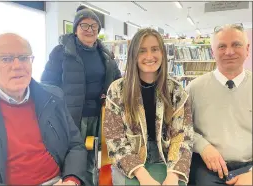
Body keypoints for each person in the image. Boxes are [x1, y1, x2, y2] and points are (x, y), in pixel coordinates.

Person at [0, 33, 87, 186]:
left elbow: (75, 145)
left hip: (60, 181)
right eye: (6, 59)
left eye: (24, 58)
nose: (17, 66)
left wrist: (72, 180)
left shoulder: (53, 97)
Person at [41, 5, 121, 185]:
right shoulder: (61, 52)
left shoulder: (106, 54)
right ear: (75, 28)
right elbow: (47, 84)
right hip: (71, 116)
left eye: (94, 26)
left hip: (99, 116)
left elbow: (118, 82)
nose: (89, 30)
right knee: (72, 157)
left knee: (93, 157)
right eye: (84, 25)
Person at [103, 28, 194, 185]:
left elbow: (183, 137)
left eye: (154, 49)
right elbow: (115, 139)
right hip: (129, 160)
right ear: (133, 55)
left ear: (162, 54)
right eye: (142, 51)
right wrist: (143, 176)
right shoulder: (117, 90)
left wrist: (173, 176)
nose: (149, 56)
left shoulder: (177, 91)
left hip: (167, 161)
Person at [186, 24, 252, 186]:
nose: (229, 52)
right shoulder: (194, 89)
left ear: (247, 49)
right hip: (207, 168)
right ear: (212, 51)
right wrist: (202, 146)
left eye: (236, 44)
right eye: (222, 46)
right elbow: (181, 129)